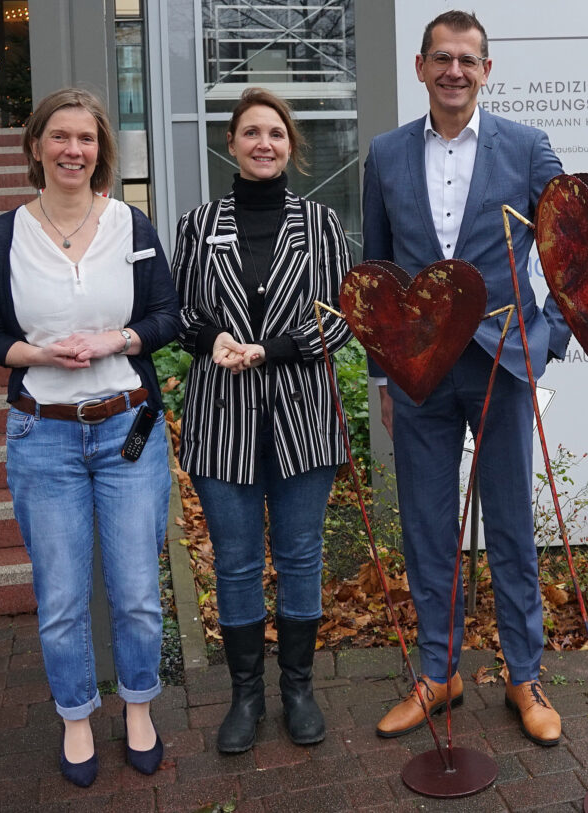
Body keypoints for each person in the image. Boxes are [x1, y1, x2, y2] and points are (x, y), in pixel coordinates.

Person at [362, 10, 571, 746]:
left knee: (512, 524)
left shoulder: (525, 147)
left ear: (488, 70)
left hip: (501, 363)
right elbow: (378, 277)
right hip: (419, 371)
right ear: (419, 67)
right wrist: (383, 381)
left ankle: (523, 673)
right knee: (426, 526)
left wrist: (553, 336)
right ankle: (440, 669)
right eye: (441, 58)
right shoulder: (385, 155)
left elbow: (574, 243)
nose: (455, 70)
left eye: (468, 60)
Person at [0, 88, 177, 787]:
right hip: (43, 434)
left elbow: (165, 317)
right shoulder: (4, 236)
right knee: (60, 594)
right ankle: (78, 715)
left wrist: (116, 337)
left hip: (127, 427)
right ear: (35, 146)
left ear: (100, 150)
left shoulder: (131, 224)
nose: (72, 150)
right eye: (58, 137)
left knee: (138, 588)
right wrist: (40, 354)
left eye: (85, 139)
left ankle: (140, 705)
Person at [171, 88, 352, 754]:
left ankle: (298, 689)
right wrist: (211, 338)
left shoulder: (322, 224)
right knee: (238, 564)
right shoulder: (197, 225)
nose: (263, 143)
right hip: (222, 418)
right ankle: (246, 694)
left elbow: (341, 321)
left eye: (275, 132)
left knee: (302, 556)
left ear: (290, 145)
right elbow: (180, 312)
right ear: (232, 143)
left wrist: (272, 348)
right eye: (251, 132)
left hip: (302, 417)